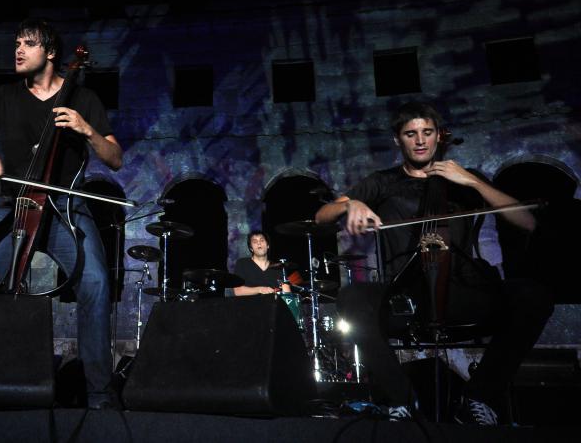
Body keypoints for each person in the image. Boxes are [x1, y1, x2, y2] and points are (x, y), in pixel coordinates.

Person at [315, 101, 553, 425]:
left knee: (533, 294)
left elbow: (526, 221)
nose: (420, 140)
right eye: (410, 134)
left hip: (463, 292)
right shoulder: (383, 181)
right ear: (398, 140)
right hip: (406, 297)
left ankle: (479, 398)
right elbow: (321, 216)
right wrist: (351, 203)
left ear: (439, 136)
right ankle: (403, 400)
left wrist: (471, 181)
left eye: (427, 132)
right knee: (351, 298)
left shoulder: (464, 179)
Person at [0, 18, 123, 409]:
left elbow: (114, 159)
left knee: (95, 283)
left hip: (66, 206)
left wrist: (87, 131)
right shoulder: (6, 96)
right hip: (10, 203)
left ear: (50, 53)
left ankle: (99, 394)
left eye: (28, 44)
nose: (18, 50)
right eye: (16, 43)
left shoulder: (84, 98)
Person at [233, 231, 291, 296]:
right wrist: (260, 289)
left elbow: (287, 295)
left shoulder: (279, 267)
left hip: (273, 305)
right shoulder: (242, 263)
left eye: (262, 240)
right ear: (251, 248)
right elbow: (238, 291)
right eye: (255, 241)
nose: (259, 243)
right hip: (249, 305)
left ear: (268, 245)